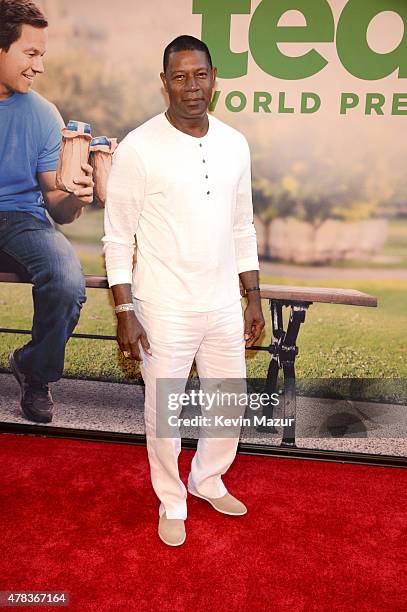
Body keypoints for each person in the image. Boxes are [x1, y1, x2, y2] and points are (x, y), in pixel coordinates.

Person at [103, 35, 264, 547]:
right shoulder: (138, 147)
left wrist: (252, 297)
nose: (191, 87)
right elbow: (116, 237)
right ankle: (172, 500)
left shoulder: (235, 143)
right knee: (164, 415)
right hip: (163, 306)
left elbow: (243, 226)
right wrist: (125, 309)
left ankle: (207, 479)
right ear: (164, 82)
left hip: (221, 303)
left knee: (228, 404)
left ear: (214, 79)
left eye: (200, 75)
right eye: (179, 76)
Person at [0, 0, 94, 424]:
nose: (38, 66)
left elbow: (59, 207)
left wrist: (74, 195)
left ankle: (34, 371)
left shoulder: (43, 115)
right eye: (30, 53)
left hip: (22, 219)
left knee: (66, 281)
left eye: (42, 56)